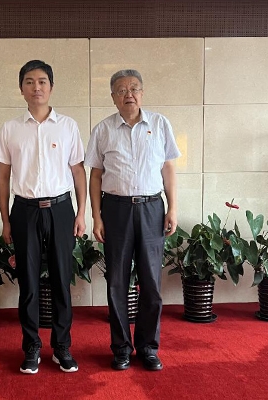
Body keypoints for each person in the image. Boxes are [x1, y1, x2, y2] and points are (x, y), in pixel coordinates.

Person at [84, 69, 180, 372]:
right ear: (113, 97)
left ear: (142, 92)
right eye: (122, 90)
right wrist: (96, 216)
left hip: (152, 209)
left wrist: (172, 208)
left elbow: (168, 169)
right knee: (117, 282)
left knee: (151, 282)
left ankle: (149, 347)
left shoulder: (160, 124)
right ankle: (121, 348)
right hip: (116, 210)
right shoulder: (103, 130)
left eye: (134, 88)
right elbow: (95, 176)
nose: (129, 94)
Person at [0, 60, 87, 374]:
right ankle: (31, 347)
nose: (37, 87)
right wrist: (5, 219)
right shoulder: (10, 128)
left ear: (51, 87)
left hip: (61, 210)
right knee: (29, 283)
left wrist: (81, 213)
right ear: (21, 88)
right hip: (24, 210)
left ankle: (62, 347)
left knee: (62, 280)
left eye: (42, 81)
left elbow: (78, 171)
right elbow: (3, 176)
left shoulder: (68, 126)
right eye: (30, 82)